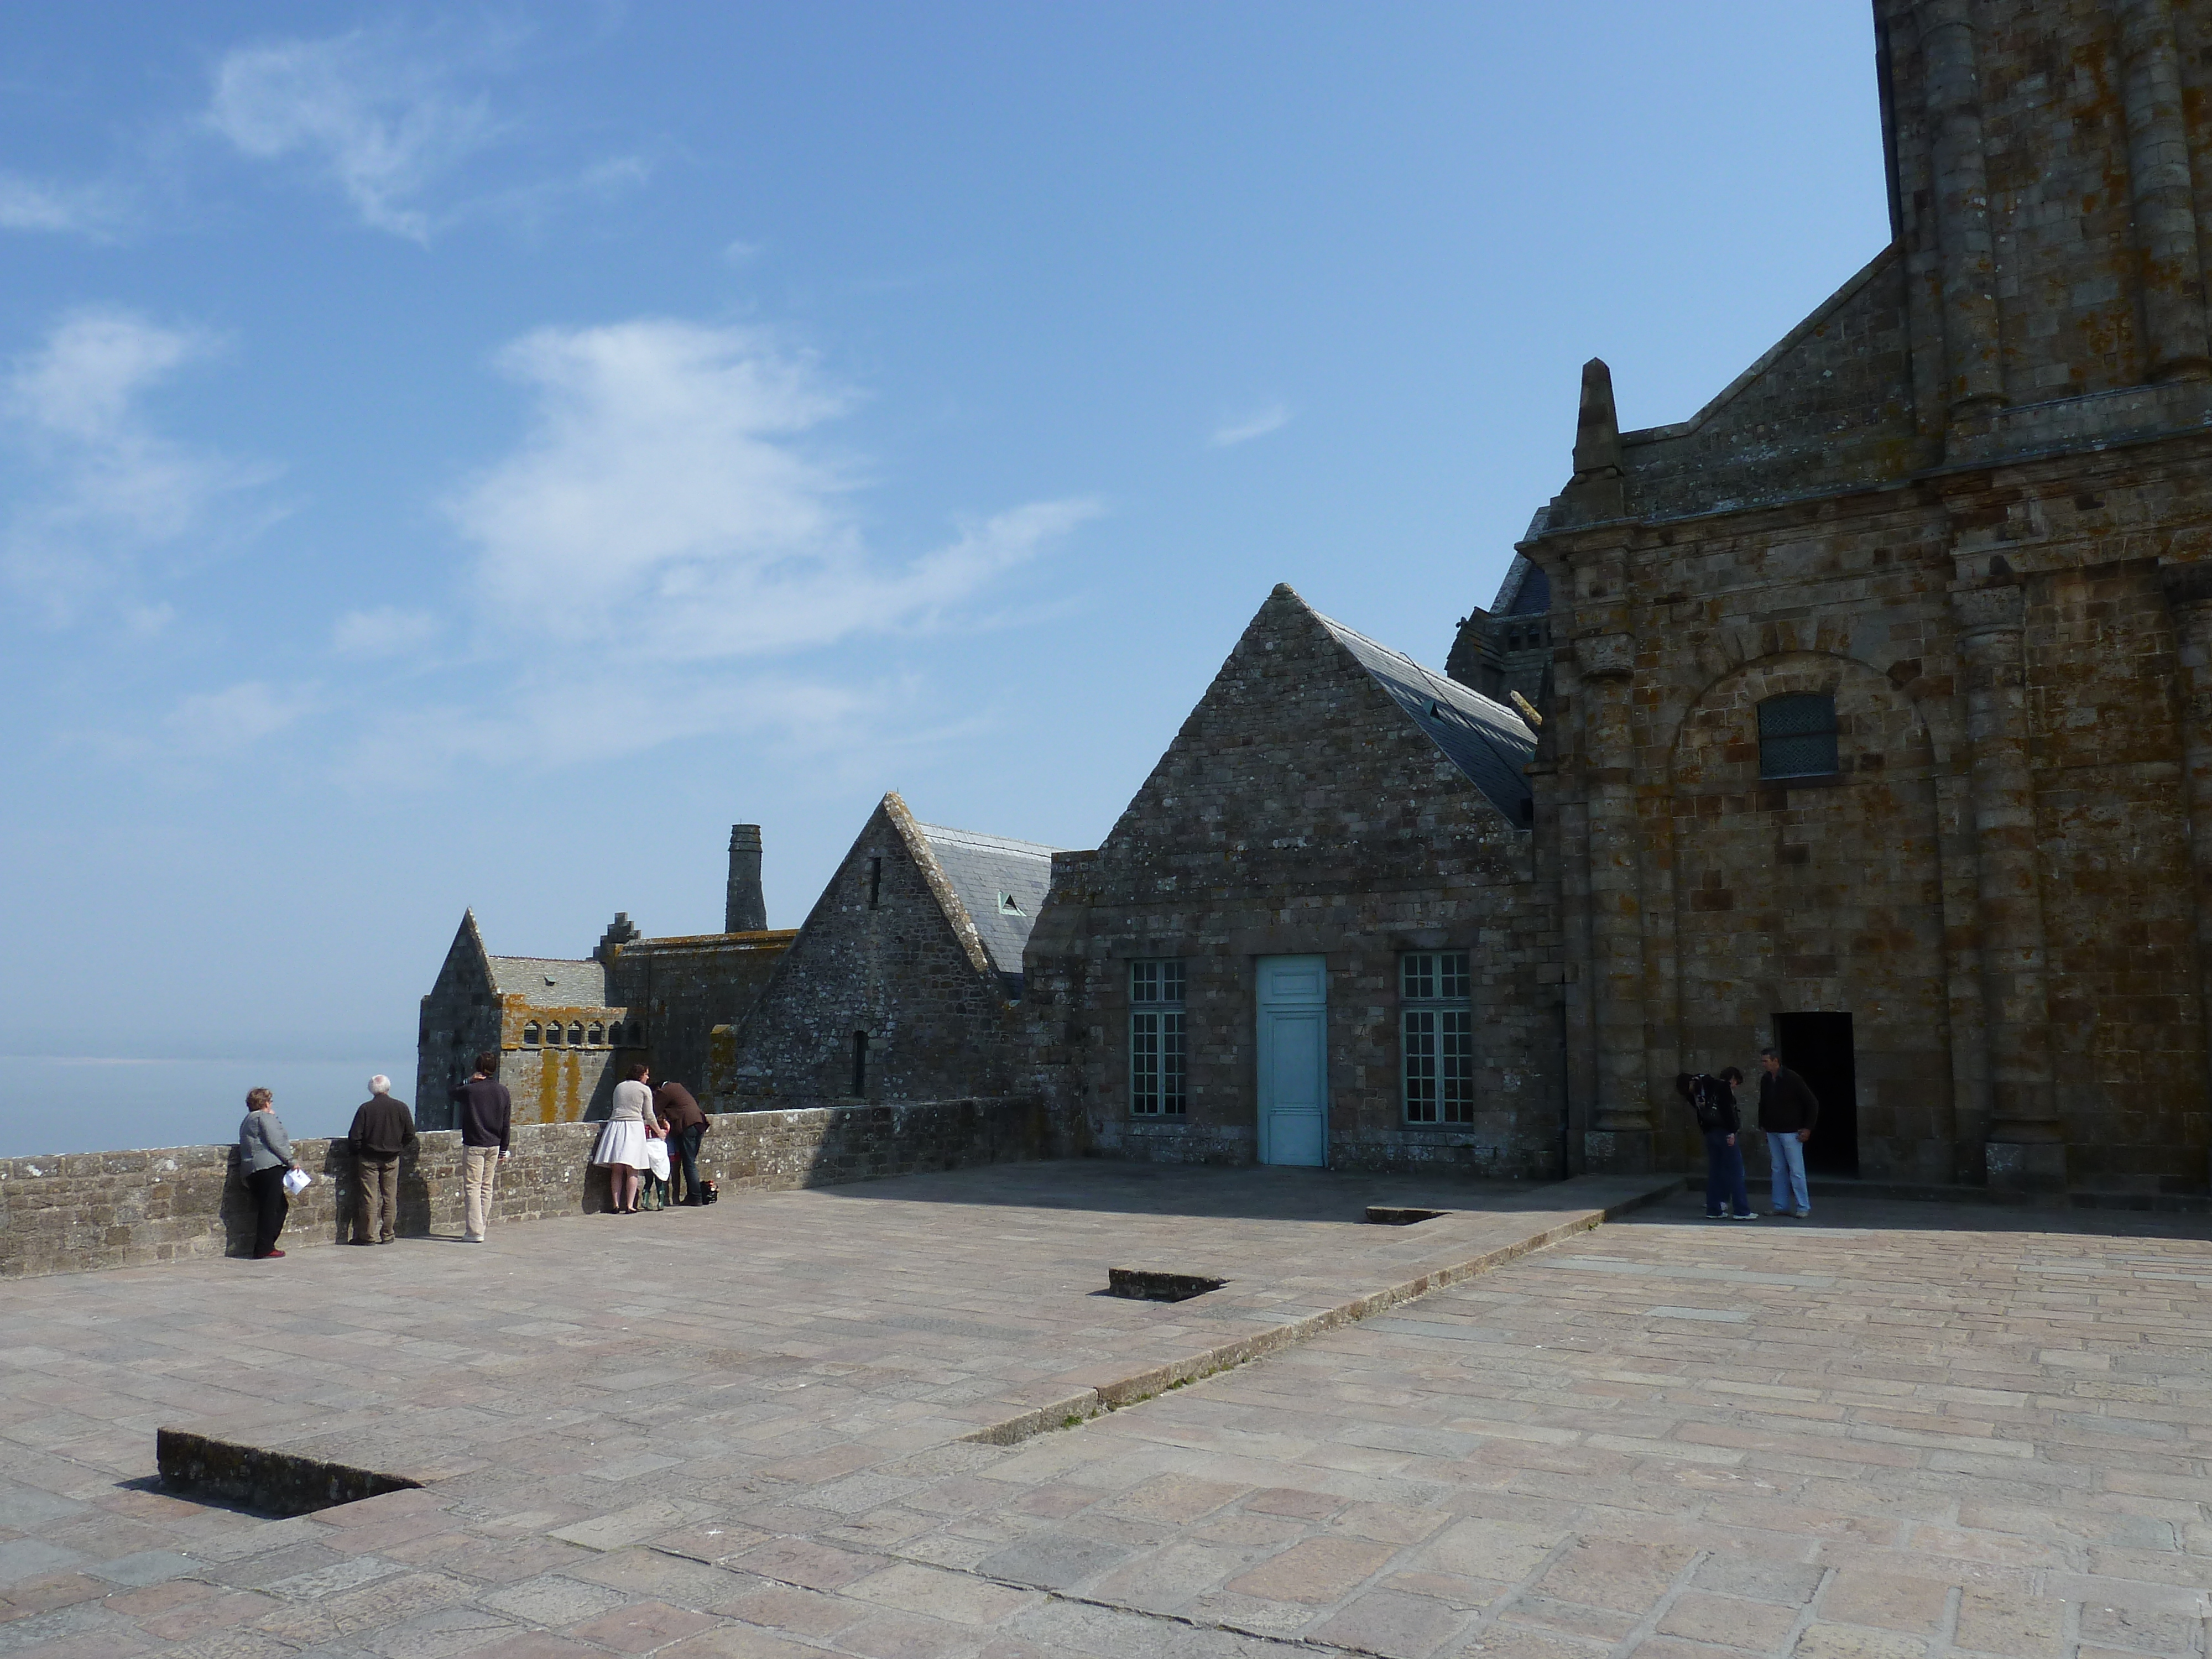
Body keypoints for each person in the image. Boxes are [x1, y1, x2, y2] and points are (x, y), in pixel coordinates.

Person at [1677, 1068, 1756, 1220]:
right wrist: (1732, 1131)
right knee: (1736, 1170)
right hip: (1724, 1132)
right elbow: (1728, 1111)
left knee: (1715, 1171)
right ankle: (1741, 1210)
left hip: (1710, 1133)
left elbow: (1701, 1114)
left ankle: (1714, 1209)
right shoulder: (1720, 1086)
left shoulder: (1694, 1094)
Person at [449, 1051, 512, 1243]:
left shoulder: (471, 1090)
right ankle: (481, 1227)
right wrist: (504, 1149)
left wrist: (468, 1081)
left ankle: (475, 1232)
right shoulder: (503, 1091)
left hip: (475, 1144)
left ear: (477, 1069)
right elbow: (506, 1123)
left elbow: (452, 1093)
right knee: (486, 1187)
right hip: (494, 1144)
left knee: (473, 1187)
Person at [347, 1076, 416, 1245]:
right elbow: (410, 1134)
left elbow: (355, 1137)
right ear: (388, 1088)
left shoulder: (366, 1109)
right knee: (390, 1196)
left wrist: (360, 1151)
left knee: (370, 1197)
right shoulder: (401, 1107)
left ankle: (368, 1236)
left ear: (371, 1090)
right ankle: (388, 1234)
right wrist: (398, 1147)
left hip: (369, 1159)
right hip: (392, 1158)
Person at [1757, 1047, 1821, 1218]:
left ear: (1776, 1061)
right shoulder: (1765, 1080)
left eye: (1766, 1061)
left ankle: (1803, 1206)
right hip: (1773, 1130)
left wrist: (1808, 1127)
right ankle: (1780, 1205)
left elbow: (1812, 1102)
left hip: (1791, 1131)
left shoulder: (1792, 1078)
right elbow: (1763, 1103)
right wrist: (1762, 1125)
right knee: (1777, 1168)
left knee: (1796, 1169)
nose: (1763, 1064)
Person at [238, 1087, 300, 1260]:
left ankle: (266, 1245)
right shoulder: (263, 1117)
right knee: (273, 1208)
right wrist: (291, 1161)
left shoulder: (248, 1120)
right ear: (266, 1103)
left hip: (253, 1169)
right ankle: (264, 1247)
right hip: (269, 1168)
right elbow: (277, 1140)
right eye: (270, 1102)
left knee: (274, 1206)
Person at [592, 1062, 661, 1214]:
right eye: (646, 1074)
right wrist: (659, 1132)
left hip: (615, 1127)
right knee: (632, 1168)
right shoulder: (644, 1090)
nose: (648, 1078)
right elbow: (649, 1115)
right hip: (633, 1127)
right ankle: (630, 1206)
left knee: (616, 1169)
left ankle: (616, 1205)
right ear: (640, 1075)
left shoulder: (619, 1087)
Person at [654, 1077, 709, 1206]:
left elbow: (654, 1111)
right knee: (691, 1162)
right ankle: (694, 1195)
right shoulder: (678, 1087)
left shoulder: (665, 1091)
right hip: (700, 1123)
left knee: (689, 1163)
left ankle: (696, 1198)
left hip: (688, 1126)